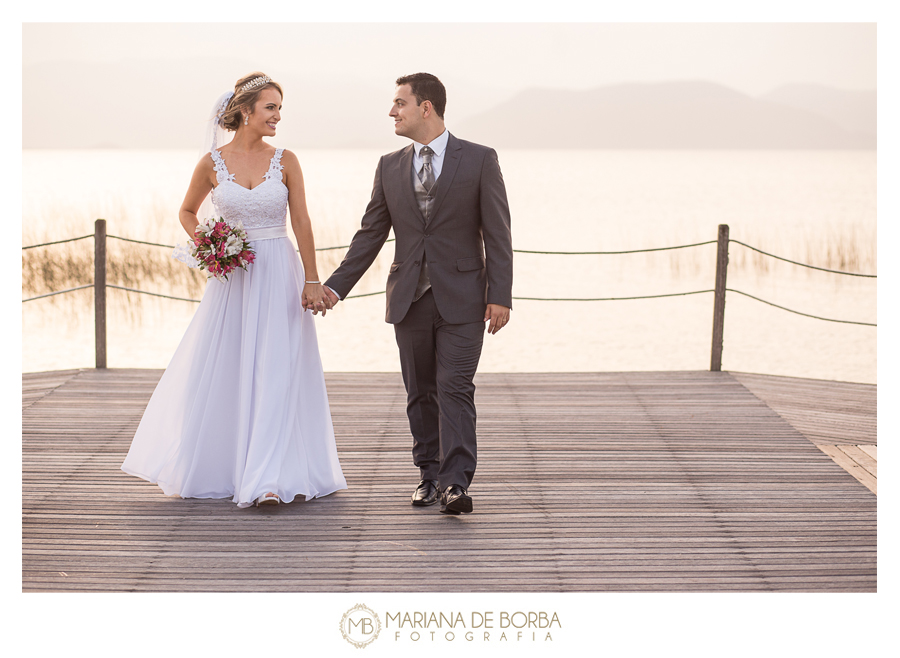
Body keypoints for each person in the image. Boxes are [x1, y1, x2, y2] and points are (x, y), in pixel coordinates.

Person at [121, 73, 347, 508]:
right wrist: (209, 242)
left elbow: (301, 221)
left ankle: (267, 478)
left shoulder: (287, 160)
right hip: (234, 276)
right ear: (246, 111)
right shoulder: (212, 162)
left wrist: (313, 279)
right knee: (229, 363)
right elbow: (187, 211)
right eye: (271, 108)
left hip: (280, 269)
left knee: (277, 368)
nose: (278, 116)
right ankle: (225, 465)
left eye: (280, 109)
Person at [322, 73, 513, 515]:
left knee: (455, 387)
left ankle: (456, 484)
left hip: (464, 297)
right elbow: (370, 234)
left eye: (399, 103)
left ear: (425, 107)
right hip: (409, 297)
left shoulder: (480, 159)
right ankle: (428, 475)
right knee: (419, 391)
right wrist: (334, 287)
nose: (392, 112)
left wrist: (500, 294)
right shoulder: (389, 165)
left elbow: (498, 233)